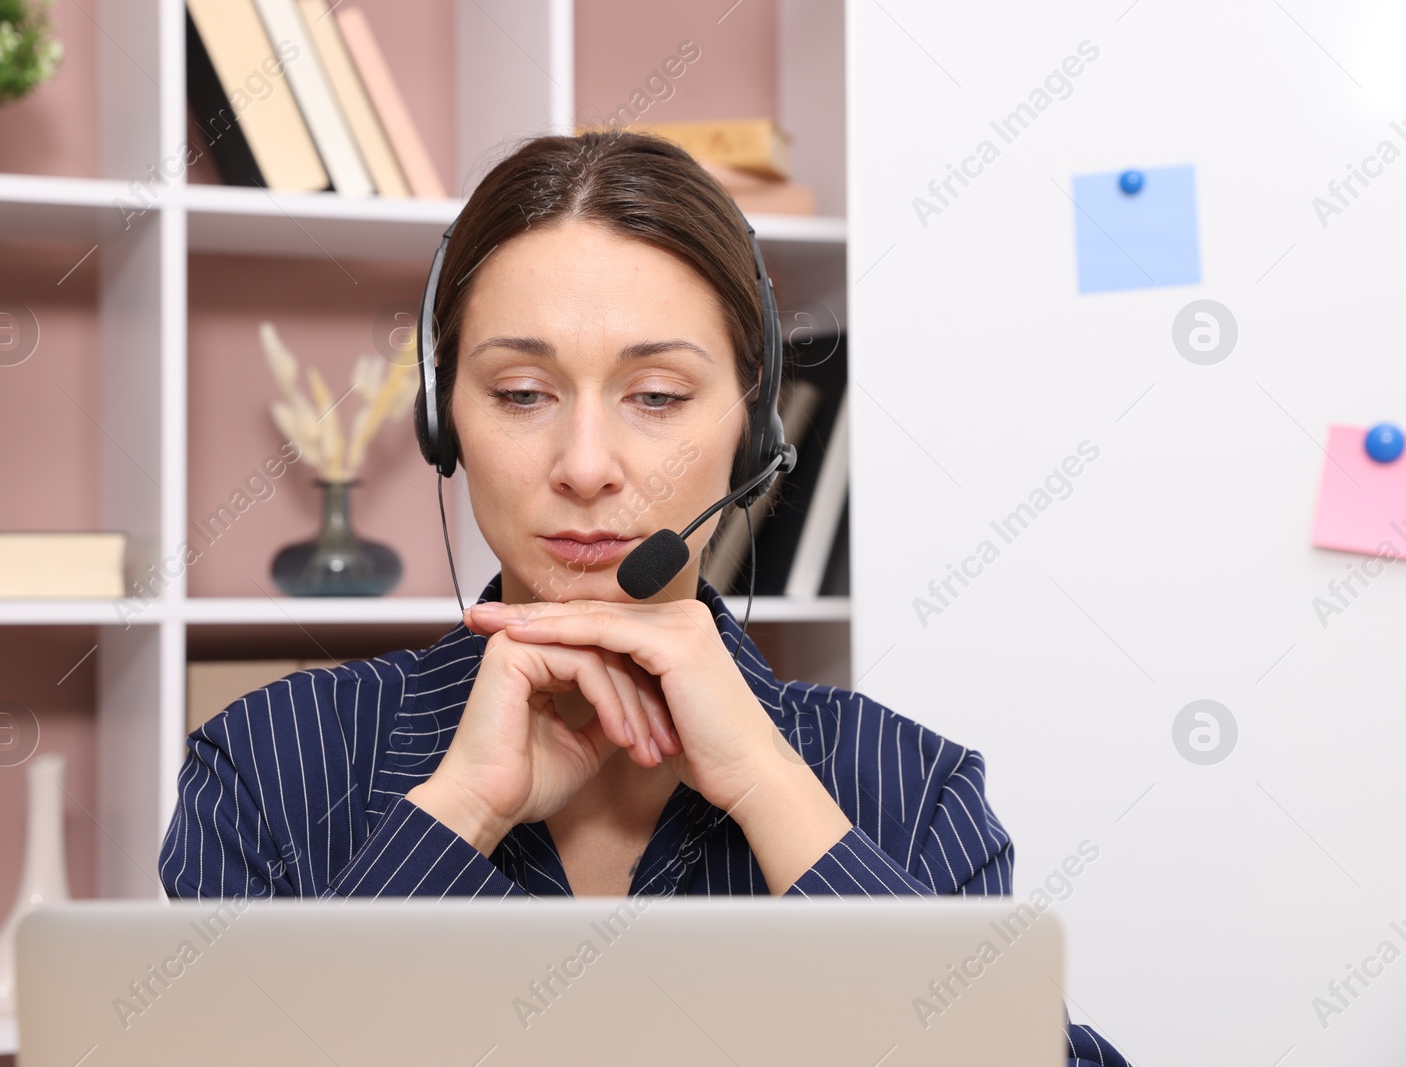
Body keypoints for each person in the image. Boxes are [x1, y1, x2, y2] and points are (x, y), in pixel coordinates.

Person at [159, 129, 1130, 1066]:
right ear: (439, 417)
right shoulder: (264, 768)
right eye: (520, 392)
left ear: (751, 431)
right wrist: (455, 813)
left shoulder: (910, 787)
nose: (585, 467)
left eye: (657, 395)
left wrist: (771, 788)